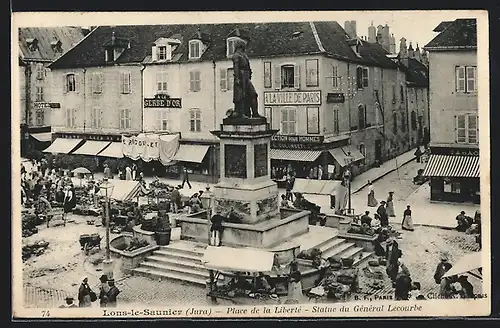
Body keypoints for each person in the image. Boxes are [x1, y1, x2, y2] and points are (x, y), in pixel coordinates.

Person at [230, 39, 261, 118]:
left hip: (246, 77)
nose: (245, 47)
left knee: (253, 94)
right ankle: (241, 113)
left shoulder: (244, 56)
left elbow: (248, 67)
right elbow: (236, 68)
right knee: (241, 95)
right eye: (244, 46)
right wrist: (237, 78)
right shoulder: (236, 56)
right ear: (241, 46)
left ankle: (255, 113)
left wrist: (249, 74)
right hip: (241, 75)